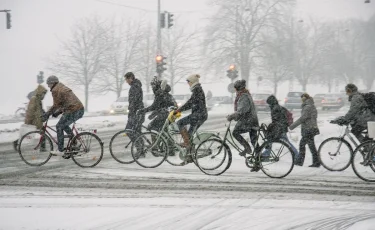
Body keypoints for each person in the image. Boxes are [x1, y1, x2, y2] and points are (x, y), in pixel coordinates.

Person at [45, 76, 84, 158]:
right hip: (78, 109)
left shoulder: (56, 90)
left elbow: (56, 105)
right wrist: (58, 112)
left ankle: (60, 150)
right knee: (63, 125)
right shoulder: (61, 87)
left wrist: (47, 114)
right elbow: (64, 103)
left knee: (59, 126)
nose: (48, 86)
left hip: (74, 110)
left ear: (52, 83)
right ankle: (74, 142)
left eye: (48, 84)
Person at [227, 79, 259, 156]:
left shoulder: (244, 96)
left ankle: (247, 148)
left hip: (248, 121)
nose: (235, 90)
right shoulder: (245, 94)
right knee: (254, 141)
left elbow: (241, 111)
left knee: (235, 132)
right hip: (252, 120)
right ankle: (259, 159)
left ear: (238, 88)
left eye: (235, 88)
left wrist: (232, 116)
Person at [174, 74, 207, 148]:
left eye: (189, 82)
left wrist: (179, 110)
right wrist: (180, 110)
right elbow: (191, 103)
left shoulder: (197, 90)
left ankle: (187, 143)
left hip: (199, 115)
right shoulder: (197, 90)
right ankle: (190, 155)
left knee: (180, 123)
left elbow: (190, 103)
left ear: (192, 82)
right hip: (200, 115)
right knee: (189, 136)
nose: (188, 84)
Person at [289, 93, 320, 167]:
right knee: (311, 146)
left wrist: (292, 126)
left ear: (305, 98)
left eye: (302, 98)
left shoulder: (307, 107)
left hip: (308, 129)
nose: (301, 100)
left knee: (302, 145)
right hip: (312, 128)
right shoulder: (311, 105)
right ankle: (316, 161)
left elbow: (302, 119)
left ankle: (300, 161)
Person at [13, 85, 48, 151]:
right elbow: (30, 111)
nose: (44, 95)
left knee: (42, 133)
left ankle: (43, 148)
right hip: (33, 121)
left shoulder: (39, 100)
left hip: (38, 121)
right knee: (27, 134)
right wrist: (28, 122)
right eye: (43, 93)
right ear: (40, 92)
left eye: (44, 94)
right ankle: (16, 142)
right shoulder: (34, 99)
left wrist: (46, 114)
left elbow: (40, 110)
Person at [265, 95, 299, 162]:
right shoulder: (279, 107)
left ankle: (266, 154)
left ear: (271, 102)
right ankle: (296, 155)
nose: (268, 105)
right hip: (282, 128)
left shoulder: (275, 108)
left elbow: (276, 120)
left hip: (279, 129)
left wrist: (270, 127)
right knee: (287, 143)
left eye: (268, 103)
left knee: (269, 140)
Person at [124, 72, 145, 143]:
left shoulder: (135, 87)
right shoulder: (136, 86)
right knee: (136, 132)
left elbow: (134, 101)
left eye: (126, 79)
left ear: (130, 78)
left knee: (129, 131)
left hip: (136, 113)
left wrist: (131, 112)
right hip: (138, 112)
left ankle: (140, 148)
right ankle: (140, 148)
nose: (126, 81)